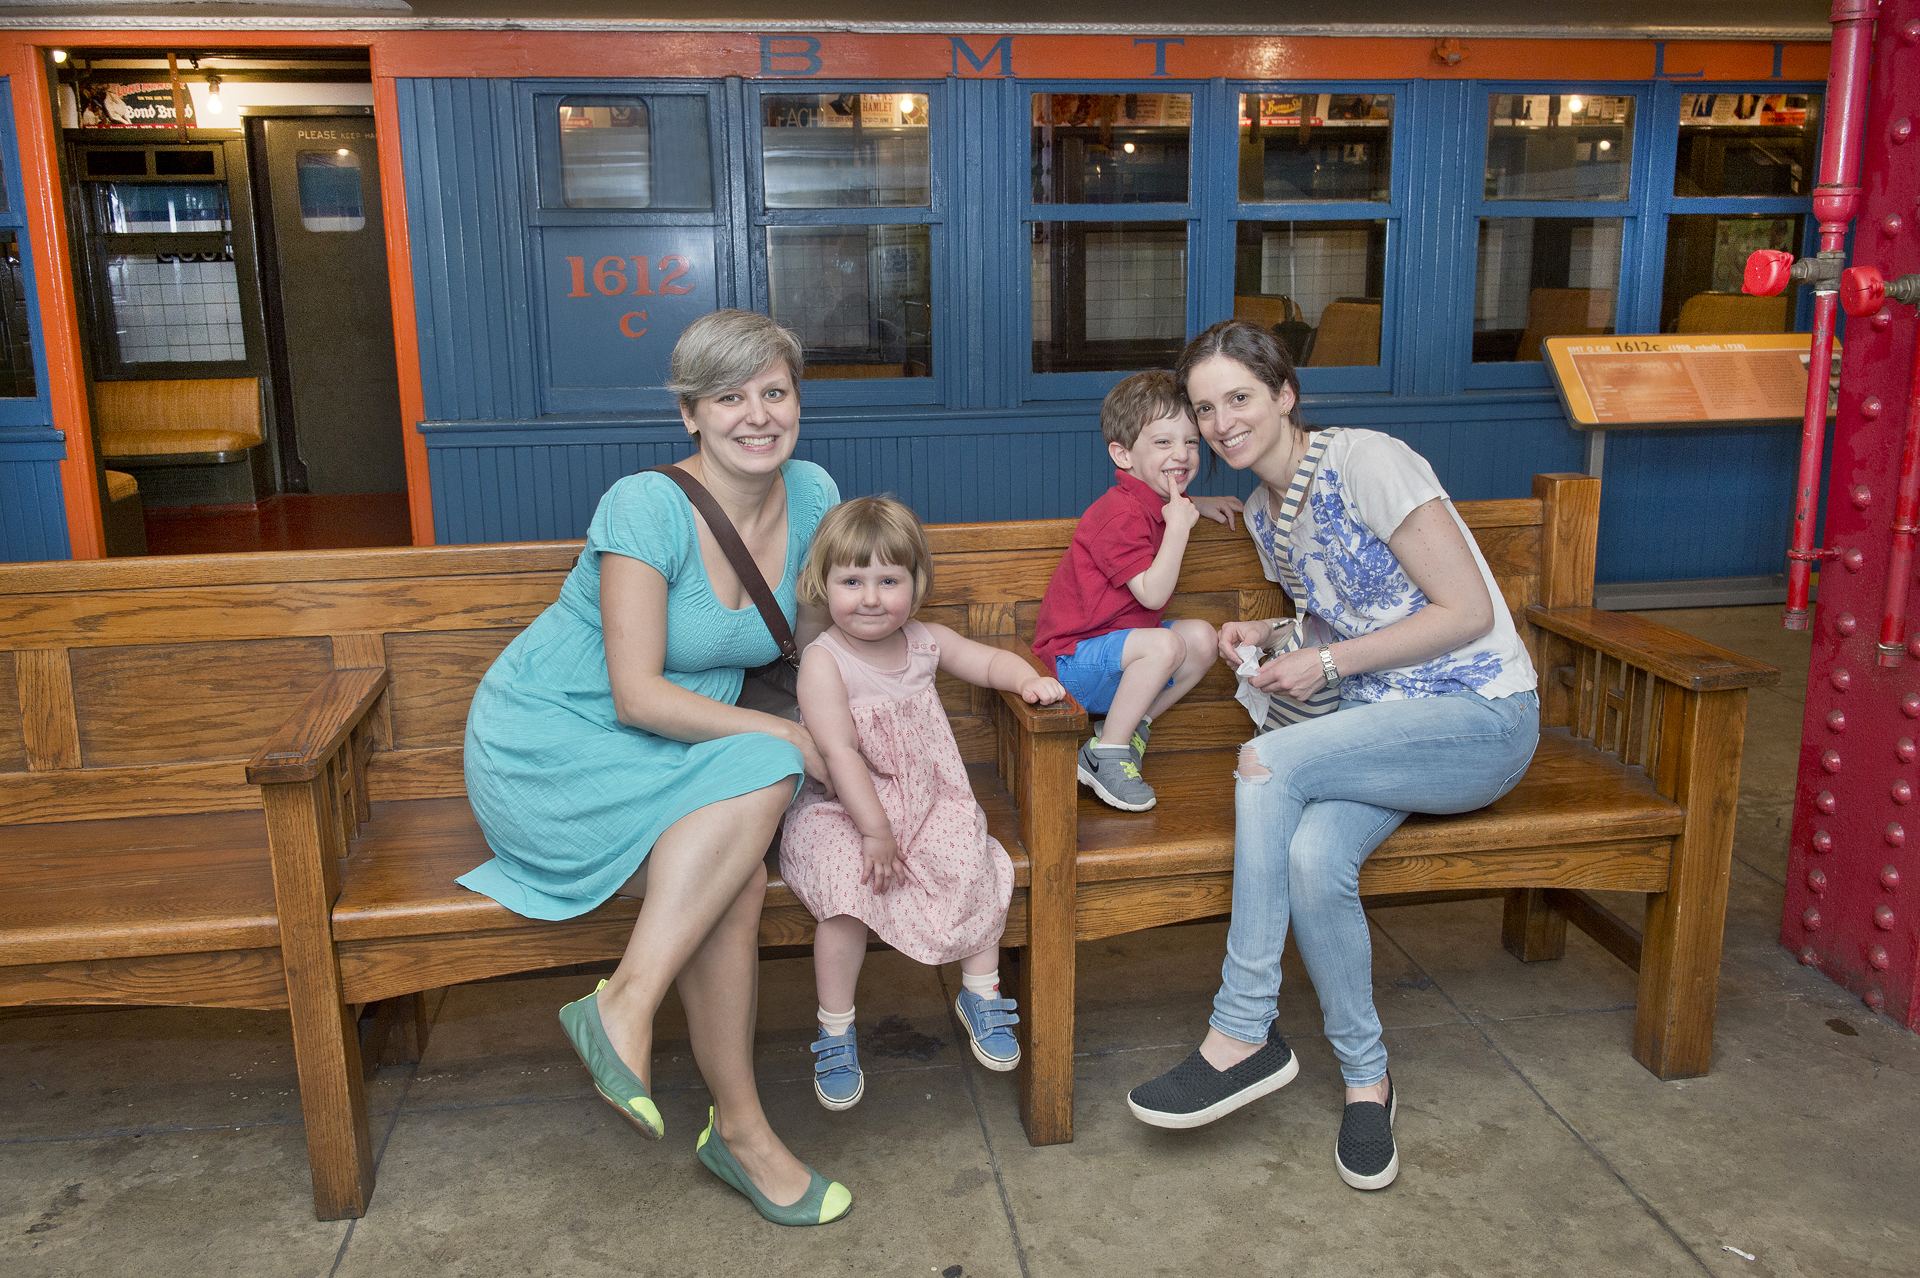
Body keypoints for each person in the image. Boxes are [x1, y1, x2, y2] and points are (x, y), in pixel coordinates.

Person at [1125, 320, 1540, 1192]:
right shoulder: (1272, 514)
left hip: (1478, 718)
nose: (1220, 422)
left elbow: (1463, 610)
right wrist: (1276, 634)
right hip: (1385, 727)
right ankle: (1367, 1080)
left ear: (1285, 395)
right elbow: (1345, 619)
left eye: (1238, 397)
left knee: (1267, 763)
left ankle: (1241, 1030)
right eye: (1204, 408)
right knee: (1314, 859)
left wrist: (1326, 661)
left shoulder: (1368, 461)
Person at [458, 309, 852, 1227]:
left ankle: (724, 1115)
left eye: (774, 391)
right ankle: (685, 1069)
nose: (756, 416)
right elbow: (634, 693)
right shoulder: (644, 504)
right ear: (691, 414)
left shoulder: (817, 491)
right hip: (555, 739)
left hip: (676, 751)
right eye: (728, 397)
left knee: (737, 877)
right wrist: (793, 742)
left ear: (797, 401)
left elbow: (823, 651)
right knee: (763, 770)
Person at [779, 497, 1067, 1110]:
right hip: (845, 808)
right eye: (851, 581)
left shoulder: (926, 642)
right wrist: (875, 832)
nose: (871, 597)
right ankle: (835, 1030)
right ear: (823, 586)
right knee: (845, 894)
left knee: (974, 859)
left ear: (915, 584)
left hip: (928, 801)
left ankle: (980, 990)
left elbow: (984, 660)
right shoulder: (824, 663)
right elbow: (839, 755)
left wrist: (1025, 679)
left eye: (889, 580)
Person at [1032, 371, 1242, 811]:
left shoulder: (1152, 503)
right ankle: (1104, 752)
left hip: (1119, 658)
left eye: (1190, 442)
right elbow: (1151, 595)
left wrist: (1198, 505)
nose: (1181, 454)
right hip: (1072, 664)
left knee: (1201, 637)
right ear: (1123, 454)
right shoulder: (1117, 514)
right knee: (1164, 643)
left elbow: (1164, 506)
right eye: (1163, 443)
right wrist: (1182, 528)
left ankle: (1132, 726)